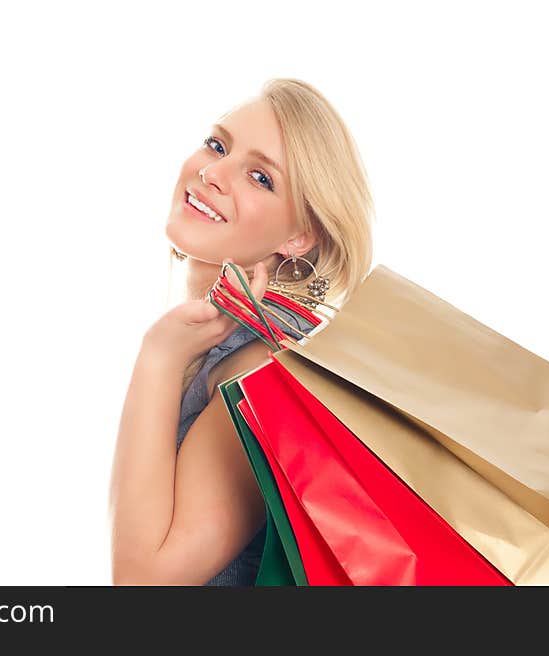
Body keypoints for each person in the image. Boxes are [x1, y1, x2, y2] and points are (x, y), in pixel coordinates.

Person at [108, 78, 376, 585]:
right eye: (217, 145)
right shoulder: (225, 350)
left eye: (260, 177)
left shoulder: (257, 374)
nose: (211, 172)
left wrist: (159, 355)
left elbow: (143, 584)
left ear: (300, 235)